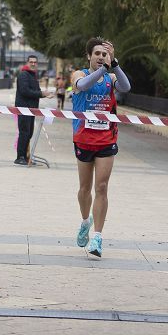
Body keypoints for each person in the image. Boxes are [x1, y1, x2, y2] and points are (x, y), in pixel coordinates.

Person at [71, 38, 131, 258]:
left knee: (102, 187)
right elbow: (82, 86)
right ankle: (86, 221)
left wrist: (114, 64)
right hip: (83, 139)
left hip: (106, 138)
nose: (100, 57)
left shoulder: (111, 77)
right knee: (84, 189)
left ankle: (97, 237)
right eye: (97, 53)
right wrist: (102, 69)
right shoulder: (79, 75)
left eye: (104, 54)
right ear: (89, 56)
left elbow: (126, 87)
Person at [14, 55, 51, 165]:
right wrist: (41, 94)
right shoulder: (23, 75)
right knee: (24, 133)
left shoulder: (33, 75)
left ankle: (26, 157)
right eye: (31, 62)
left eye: (35, 62)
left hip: (31, 110)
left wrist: (44, 94)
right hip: (24, 109)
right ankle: (20, 157)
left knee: (29, 133)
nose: (33, 64)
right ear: (27, 62)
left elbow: (36, 91)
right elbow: (25, 91)